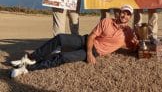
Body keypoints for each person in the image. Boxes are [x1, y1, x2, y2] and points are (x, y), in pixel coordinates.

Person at [10, 5, 138, 78]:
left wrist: (138, 44)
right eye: (123, 13)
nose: (124, 16)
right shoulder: (106, 21)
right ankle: (31, 57)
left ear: (130, 17)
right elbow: (92, 36)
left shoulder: (129, 32)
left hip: (97, 50)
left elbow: (133, 47)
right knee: (60, 38)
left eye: (128, 14)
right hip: (86, 40)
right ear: (118, 13)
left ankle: (27, 68)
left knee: (63, 57)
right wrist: (89, 53)